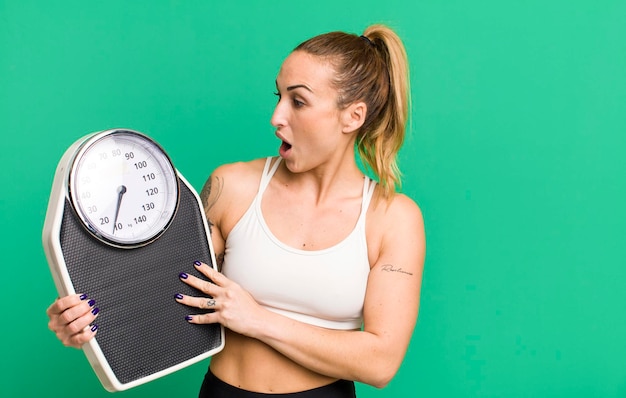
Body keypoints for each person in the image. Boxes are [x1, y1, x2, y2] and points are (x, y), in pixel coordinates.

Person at [46, 24, 425, 397]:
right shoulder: (234, 186)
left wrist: (258, 319)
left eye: (298, 101)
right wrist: (92, 320)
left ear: (353, 117)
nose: (277, 117)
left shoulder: (393, 219)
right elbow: (164, 289)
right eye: (278, 96)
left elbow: (380, 362)